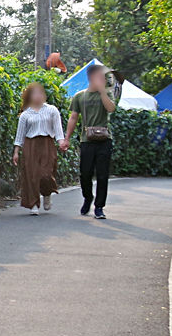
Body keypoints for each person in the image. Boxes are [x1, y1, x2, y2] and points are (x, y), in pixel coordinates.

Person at [61, 63, 119, 219]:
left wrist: (102, 91)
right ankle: (88, 197)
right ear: (90, 77)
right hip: (87, 139)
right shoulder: (80, 96)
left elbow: (111, 109)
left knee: (102, 175)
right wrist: (66, 138)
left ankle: (99, 207)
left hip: (105, 139)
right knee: (85, 173)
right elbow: (73, 117)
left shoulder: (107, 93)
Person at [12, 82, 63, 216]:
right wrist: (16, 151)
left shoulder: (52, 110)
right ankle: (33, 203)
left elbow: (58, 129)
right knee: (32, 175)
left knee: (46, 174)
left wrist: (61, 141)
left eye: (40, 93)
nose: (38, 96)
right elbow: (20, 134)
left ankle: (47, 194)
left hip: (47, 144)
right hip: (30, 145)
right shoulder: (25, 115)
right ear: (29, 96)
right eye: (35, 94)